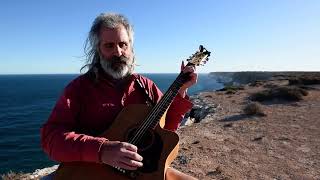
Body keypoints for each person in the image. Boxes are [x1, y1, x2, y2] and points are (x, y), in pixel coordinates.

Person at [41, 12, 198, 180]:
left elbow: (166, 131)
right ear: (98, 49)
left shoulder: (145, 86)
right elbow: (51, 139)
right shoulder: (79, 89)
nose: (118, 52)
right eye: (109, 45)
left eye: (123, 44)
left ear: (131, 47)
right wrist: (102, 150)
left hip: (138, 173)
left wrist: (181, 91)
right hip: (90, 172)